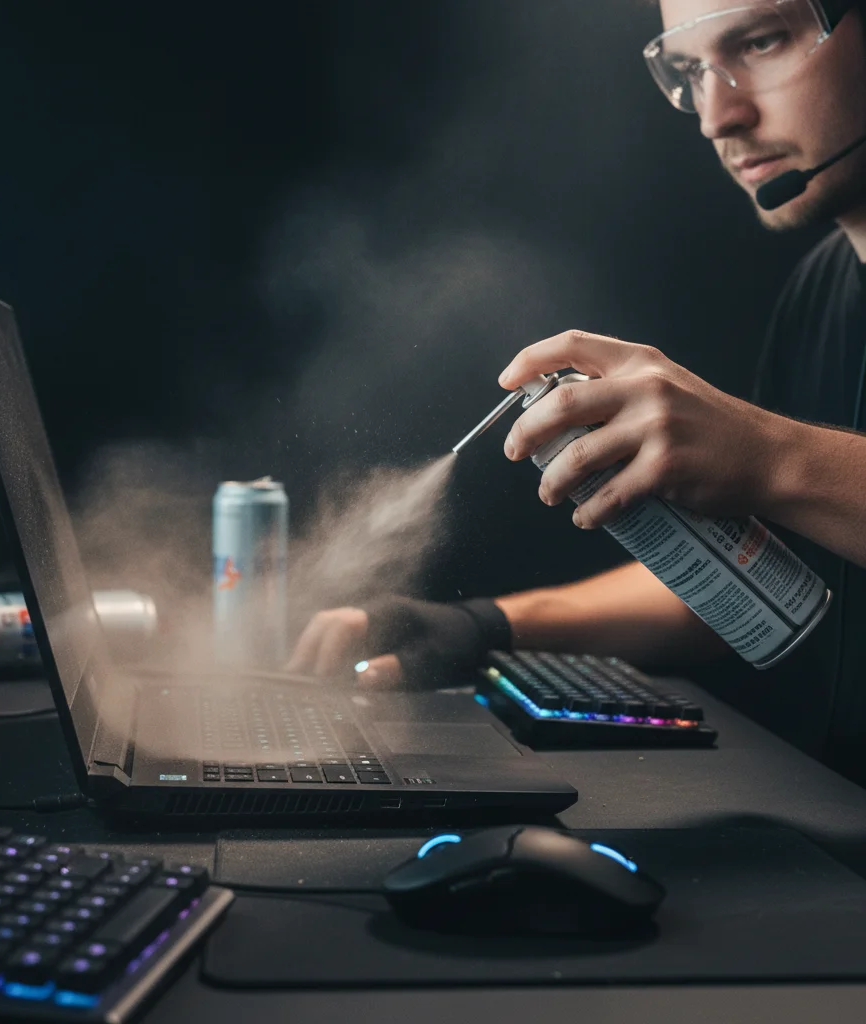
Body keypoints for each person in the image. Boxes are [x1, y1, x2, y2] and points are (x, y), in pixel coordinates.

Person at [286, 0, 866, 784]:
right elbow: (757, 578)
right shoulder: (822, 291)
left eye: (761, 42)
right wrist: (480, 627)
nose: (717, 116)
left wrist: (767, 454)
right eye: (690, 71)